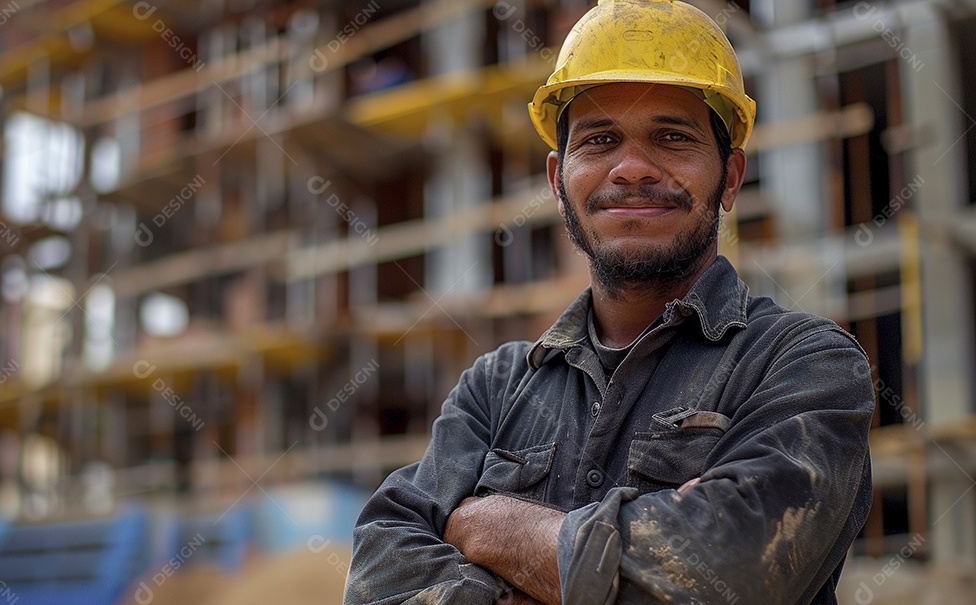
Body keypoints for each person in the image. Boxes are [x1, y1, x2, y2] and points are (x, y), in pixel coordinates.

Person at [344, 1, 874, 603]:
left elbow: (733, 573)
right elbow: (377, 569)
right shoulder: (494, 389)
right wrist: (629, 559)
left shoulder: (801, 366)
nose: (633, 168)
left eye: (672, 138)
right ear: (557, 181)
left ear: (729, 178)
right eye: (600, 140)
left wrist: (485, 526)